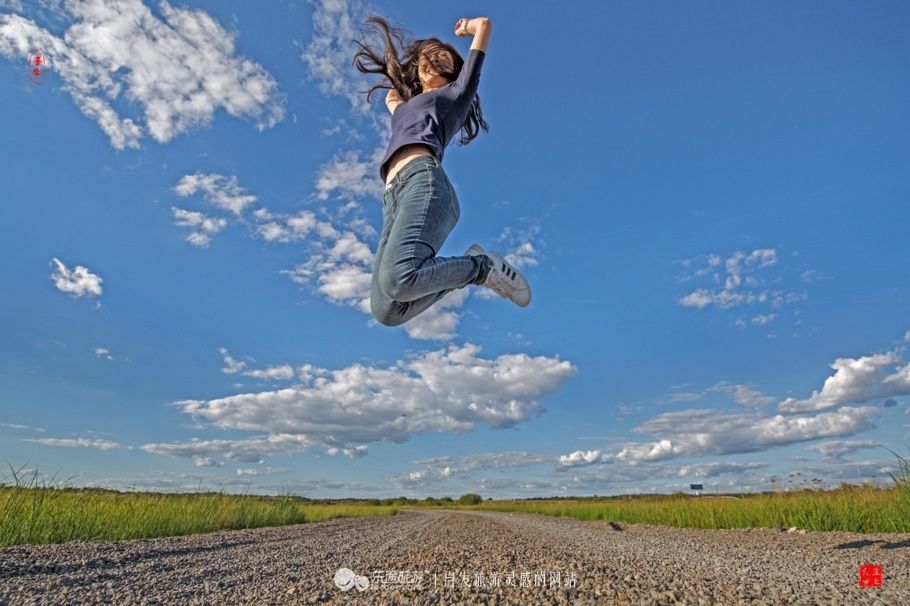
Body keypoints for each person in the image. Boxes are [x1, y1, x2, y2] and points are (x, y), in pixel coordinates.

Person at [352, 15, 531, 328]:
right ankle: (474, 266)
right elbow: (393, 97)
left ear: (453, 71)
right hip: (393, 198)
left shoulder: (455, 95)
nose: (434, 58)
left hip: (425, 182)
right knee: (387, 309)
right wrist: (405, 74)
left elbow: (485, 26)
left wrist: (467, 29)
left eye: (442, 56)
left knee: (398, 280)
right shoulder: (405, 106)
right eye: (428, 55)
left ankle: (482, 267)